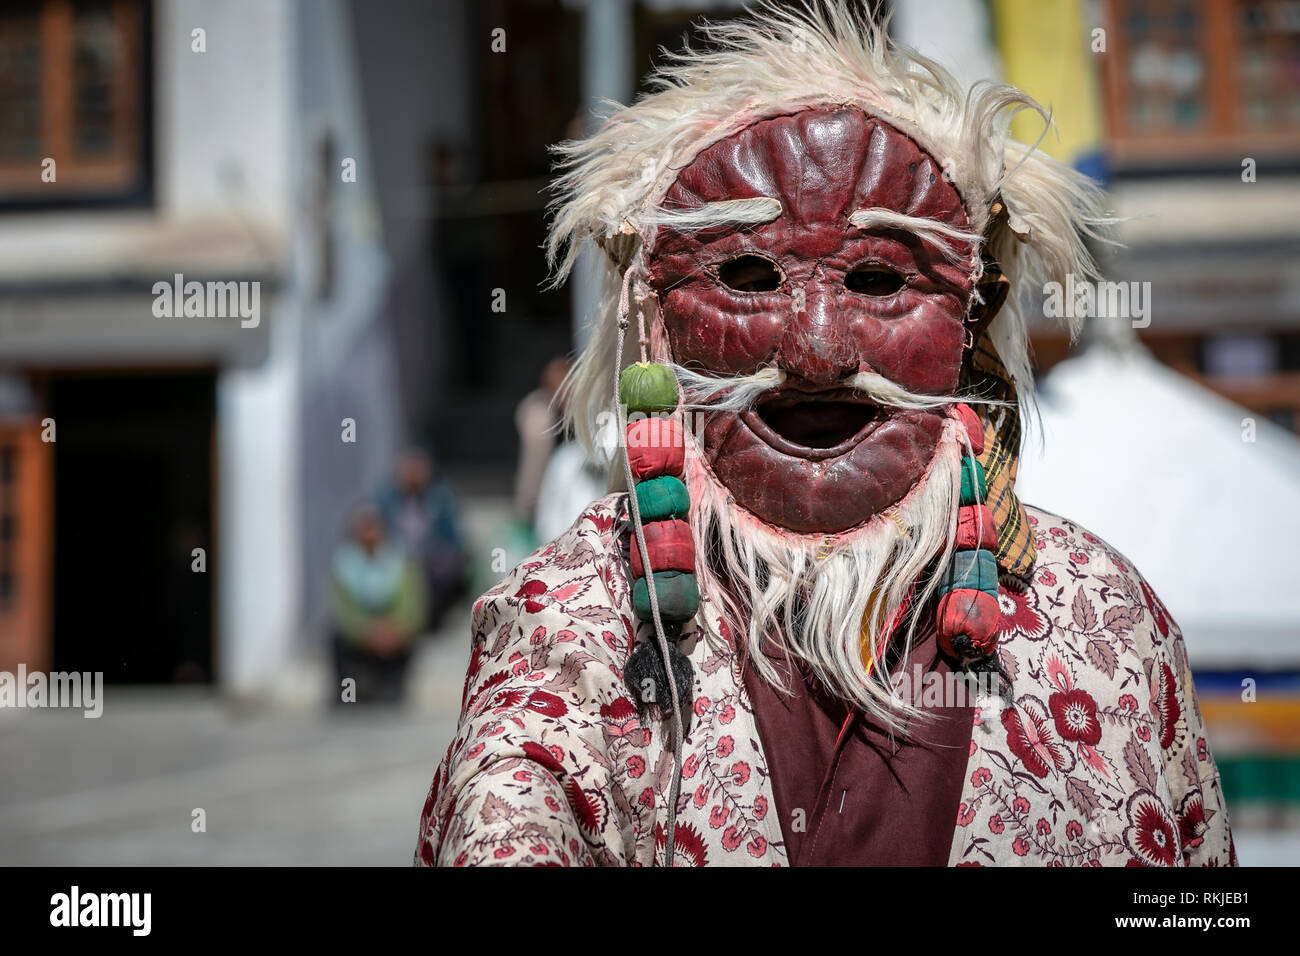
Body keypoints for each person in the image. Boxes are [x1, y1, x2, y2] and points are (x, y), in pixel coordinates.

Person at [415, 2, 1235, 866]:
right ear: (656, 319)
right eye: (748, 277)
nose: (816, 352)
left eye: (879, 280)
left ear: (973, 312)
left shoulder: (1105, 627)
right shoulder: (573, 633)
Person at [331, 504, 426, 705]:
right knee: (336, 639)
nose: (369, 535)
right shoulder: (344, 564)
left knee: (410, 642)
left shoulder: (400, 562)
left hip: (393, 632)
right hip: (362, 634)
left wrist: (394, 628)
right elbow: (344, 609)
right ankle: (349, 693)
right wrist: (367, 631)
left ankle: (391, 688)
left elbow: (411, 603)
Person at [377, 447, 466, 630]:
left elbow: (452, 538)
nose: (413, 475)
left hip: (430, 562)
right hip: (396, 560)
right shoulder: (387, 500)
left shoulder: (440, 498)